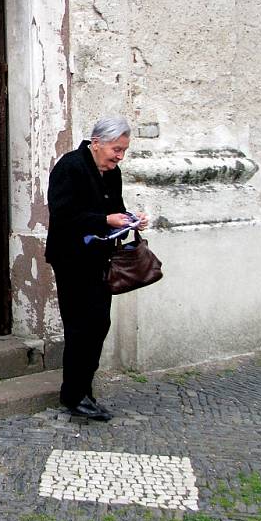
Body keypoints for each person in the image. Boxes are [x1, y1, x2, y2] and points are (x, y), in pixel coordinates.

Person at [45, 117, 149, 421]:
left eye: (124, 151)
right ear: (96, 143)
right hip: (72, 259)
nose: (119, 156)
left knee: (98, 324)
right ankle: (74, 395)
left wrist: (131, 219)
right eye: (116, 149)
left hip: (101, 259)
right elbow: (63, 214)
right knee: (80, 326)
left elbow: (114, 209)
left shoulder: (111, 173)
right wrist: (105, 221)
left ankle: (84, 389)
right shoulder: (71, 166)